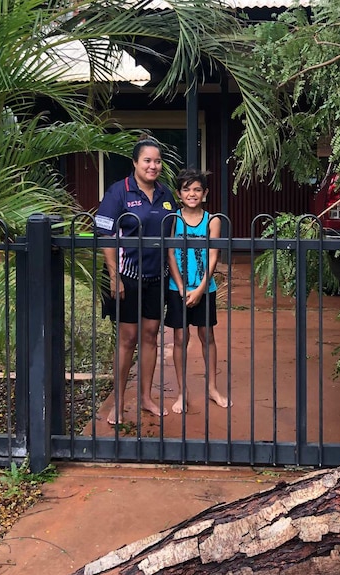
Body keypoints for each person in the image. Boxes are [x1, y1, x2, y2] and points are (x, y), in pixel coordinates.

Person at [94, 134, 177, 425]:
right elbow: (105, 235)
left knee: (151, 337)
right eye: (147, 160)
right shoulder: (118, 192)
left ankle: (145, 398)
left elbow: (172, 236)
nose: (153, 166)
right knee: (128, 338)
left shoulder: (166, 195)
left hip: (156, 278)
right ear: (135, 163)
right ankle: (118, 402)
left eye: (157, 161)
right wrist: (114, 276)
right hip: (126, 277)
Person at [165, 168, 230, 414]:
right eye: (186, 189)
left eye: (197, 189)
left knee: (207, 336)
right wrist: (182, 287)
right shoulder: (173, 219)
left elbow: (213, 255)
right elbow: (170, 252)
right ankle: (183, 392)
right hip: (177, 288)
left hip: (205, 288)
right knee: (180, 338)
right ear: (179, 193)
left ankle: (212, 387)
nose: (192, 194)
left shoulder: (212, 220)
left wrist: (202, 287)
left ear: (205, 193)